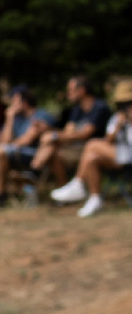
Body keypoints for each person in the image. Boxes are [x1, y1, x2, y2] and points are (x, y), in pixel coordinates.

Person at [51, 78, 132, 218]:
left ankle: (78, 184)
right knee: (92, 157)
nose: (125, 108)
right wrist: (120, 125)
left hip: (128, 155)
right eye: (123, 105)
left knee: (92, 144)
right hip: (121, 157)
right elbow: (109, 140)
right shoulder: (117, 118)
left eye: (128, 104)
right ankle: (95, 199)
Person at [0, 86, 51, 208]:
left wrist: (11, 143)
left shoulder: (41, 115)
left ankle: (1, 195)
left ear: (24, 103)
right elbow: (5, 140)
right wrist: (9, 118)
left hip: (30, 154)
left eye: (15, 101)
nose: (12, 104)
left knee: (0, 151)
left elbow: (27, 140)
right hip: (8, 152)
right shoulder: (16, 118)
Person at [31, 76, 111, 187]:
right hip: (76, 148)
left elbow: (85, 134)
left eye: (71, 90)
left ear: (82, 90)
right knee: (52, 148)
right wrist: (48, 130)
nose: (68, 93)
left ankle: (35, 171)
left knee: (53, 150)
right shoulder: (77, 109)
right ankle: (61, 187)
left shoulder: (99, 107)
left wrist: (54, 136)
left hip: (96, 149)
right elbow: (67, 132)